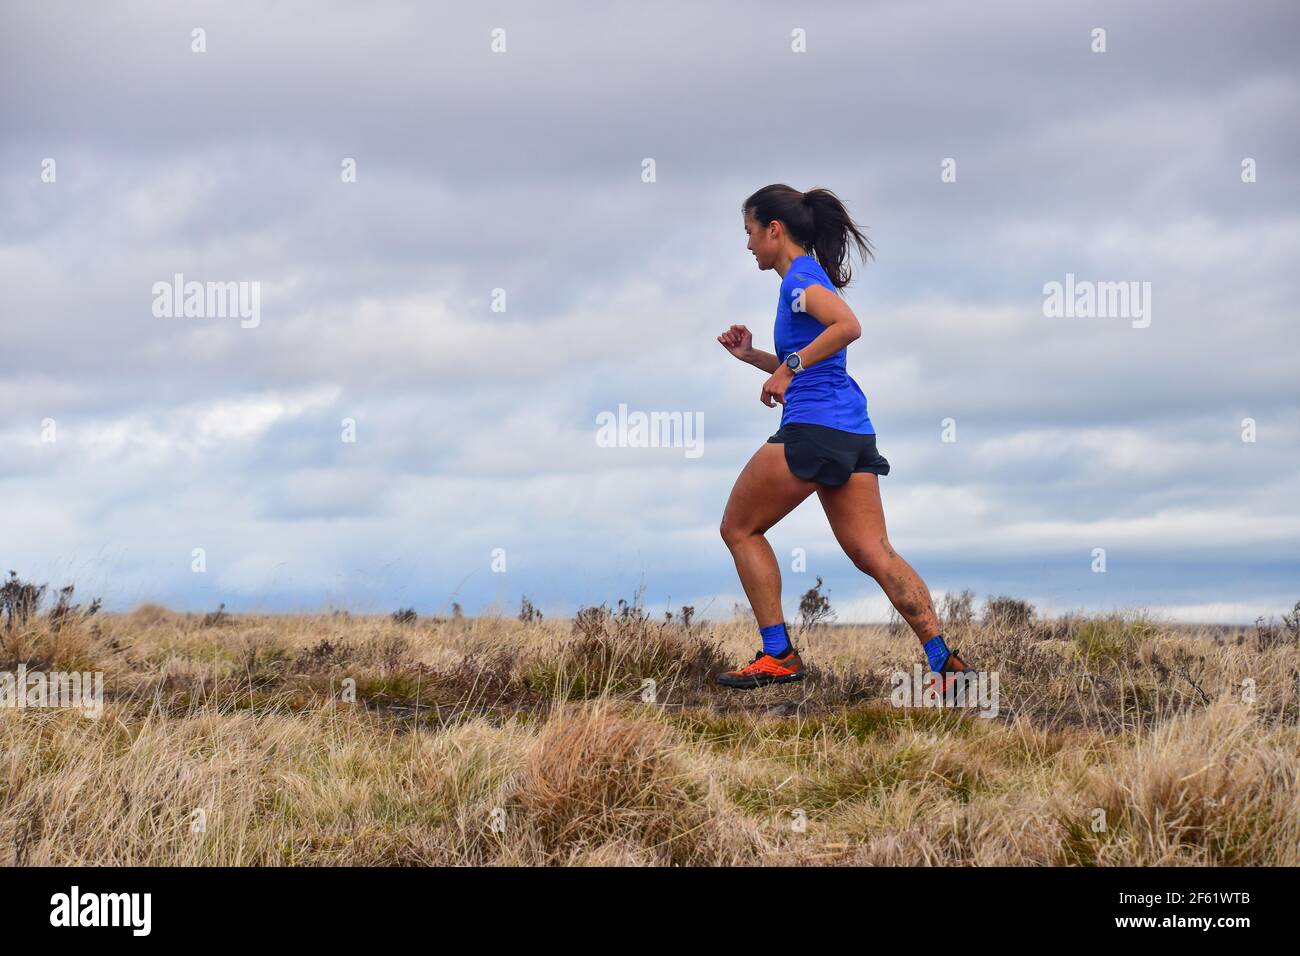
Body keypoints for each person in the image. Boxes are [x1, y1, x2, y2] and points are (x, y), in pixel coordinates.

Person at [715, 183, 977, 690]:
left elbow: (848, 326)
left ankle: (778, 656)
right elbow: (822, 355)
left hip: (813, 429)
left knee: (739, 529)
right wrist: (756, 359)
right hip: (851, 431)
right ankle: (947, 665)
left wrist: (787, 368)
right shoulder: (802, 281)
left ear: (775, 229)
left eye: (749, 232)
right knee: (874, 552)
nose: (747, 245)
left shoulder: (799, 281)